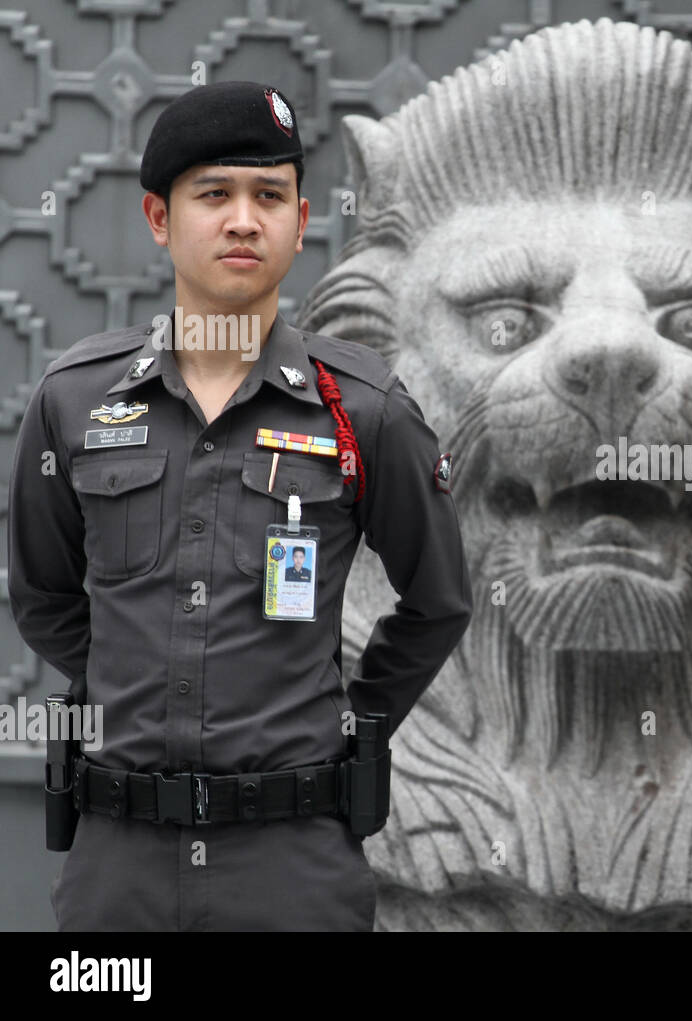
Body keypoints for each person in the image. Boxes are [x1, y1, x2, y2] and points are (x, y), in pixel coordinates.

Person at [6, 81, 473, 931]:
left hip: (291, 862)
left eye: (270, 196)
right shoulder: (76, 399)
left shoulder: (360, 409)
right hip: (118, 863)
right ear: (159, 217)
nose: (244, 220)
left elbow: (439, 599)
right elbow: (42, 591)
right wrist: (125, 676)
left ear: (301, 222)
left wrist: (348, 718)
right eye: (213, 194)